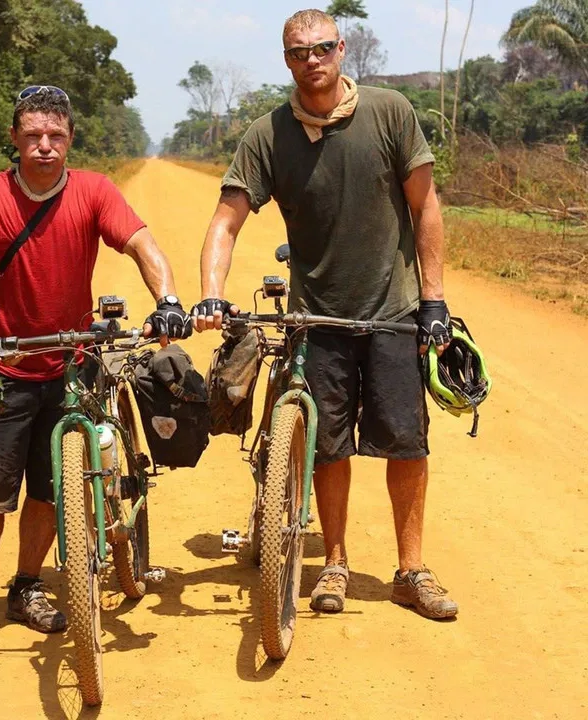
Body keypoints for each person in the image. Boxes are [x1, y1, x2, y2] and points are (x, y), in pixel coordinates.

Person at [192, 9, 459, 620]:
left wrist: (435, 301)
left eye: (321, 48)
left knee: (406, 442)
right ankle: (334, 561)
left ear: (342, 49)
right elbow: (226, 221)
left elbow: (426, 207)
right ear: (286, 60)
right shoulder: (268, 135)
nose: (311, 60)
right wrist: (210, 294)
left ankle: (411, 571)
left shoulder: (390, 112)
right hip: (316, 320)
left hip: (394, 313)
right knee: (327, 445)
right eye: (298, 52)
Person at [0, 85, 192, 646]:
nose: (44, 146)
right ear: (14, 138)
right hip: (3, 369)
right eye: (33, 135)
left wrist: (167, 301)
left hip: (73, 367)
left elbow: (142, 245)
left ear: (70, 138)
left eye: (55, 135)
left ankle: (26, 587)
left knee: (50, 490)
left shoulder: (94, 191)